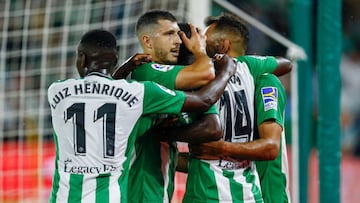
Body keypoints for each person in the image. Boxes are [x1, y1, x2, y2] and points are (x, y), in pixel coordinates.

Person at [47, 29, 236, 203]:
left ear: (82, 58)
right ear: (114, 58)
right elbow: (204, 99)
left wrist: (122, 70)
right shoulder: (137, 92)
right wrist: (227, 70)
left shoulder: (56, 90)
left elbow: (98, 95)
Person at [111, 10, 224, 202]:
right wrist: (201, 51)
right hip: (141, 193)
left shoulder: (170, 80)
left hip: (154, 189)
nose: (178, 41)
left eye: (179, 35)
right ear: (147, 42)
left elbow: (211, 128)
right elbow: (206, 73)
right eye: (169, 34)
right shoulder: (146, 71)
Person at [177, 14, 292, 202]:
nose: (202, 44)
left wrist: (221, 148)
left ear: (224, 46)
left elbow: (270, 148)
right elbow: (206, 156)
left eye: (207, 39)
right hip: (239, 188)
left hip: (267, 190)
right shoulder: (221, 77)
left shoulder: (264, 81)